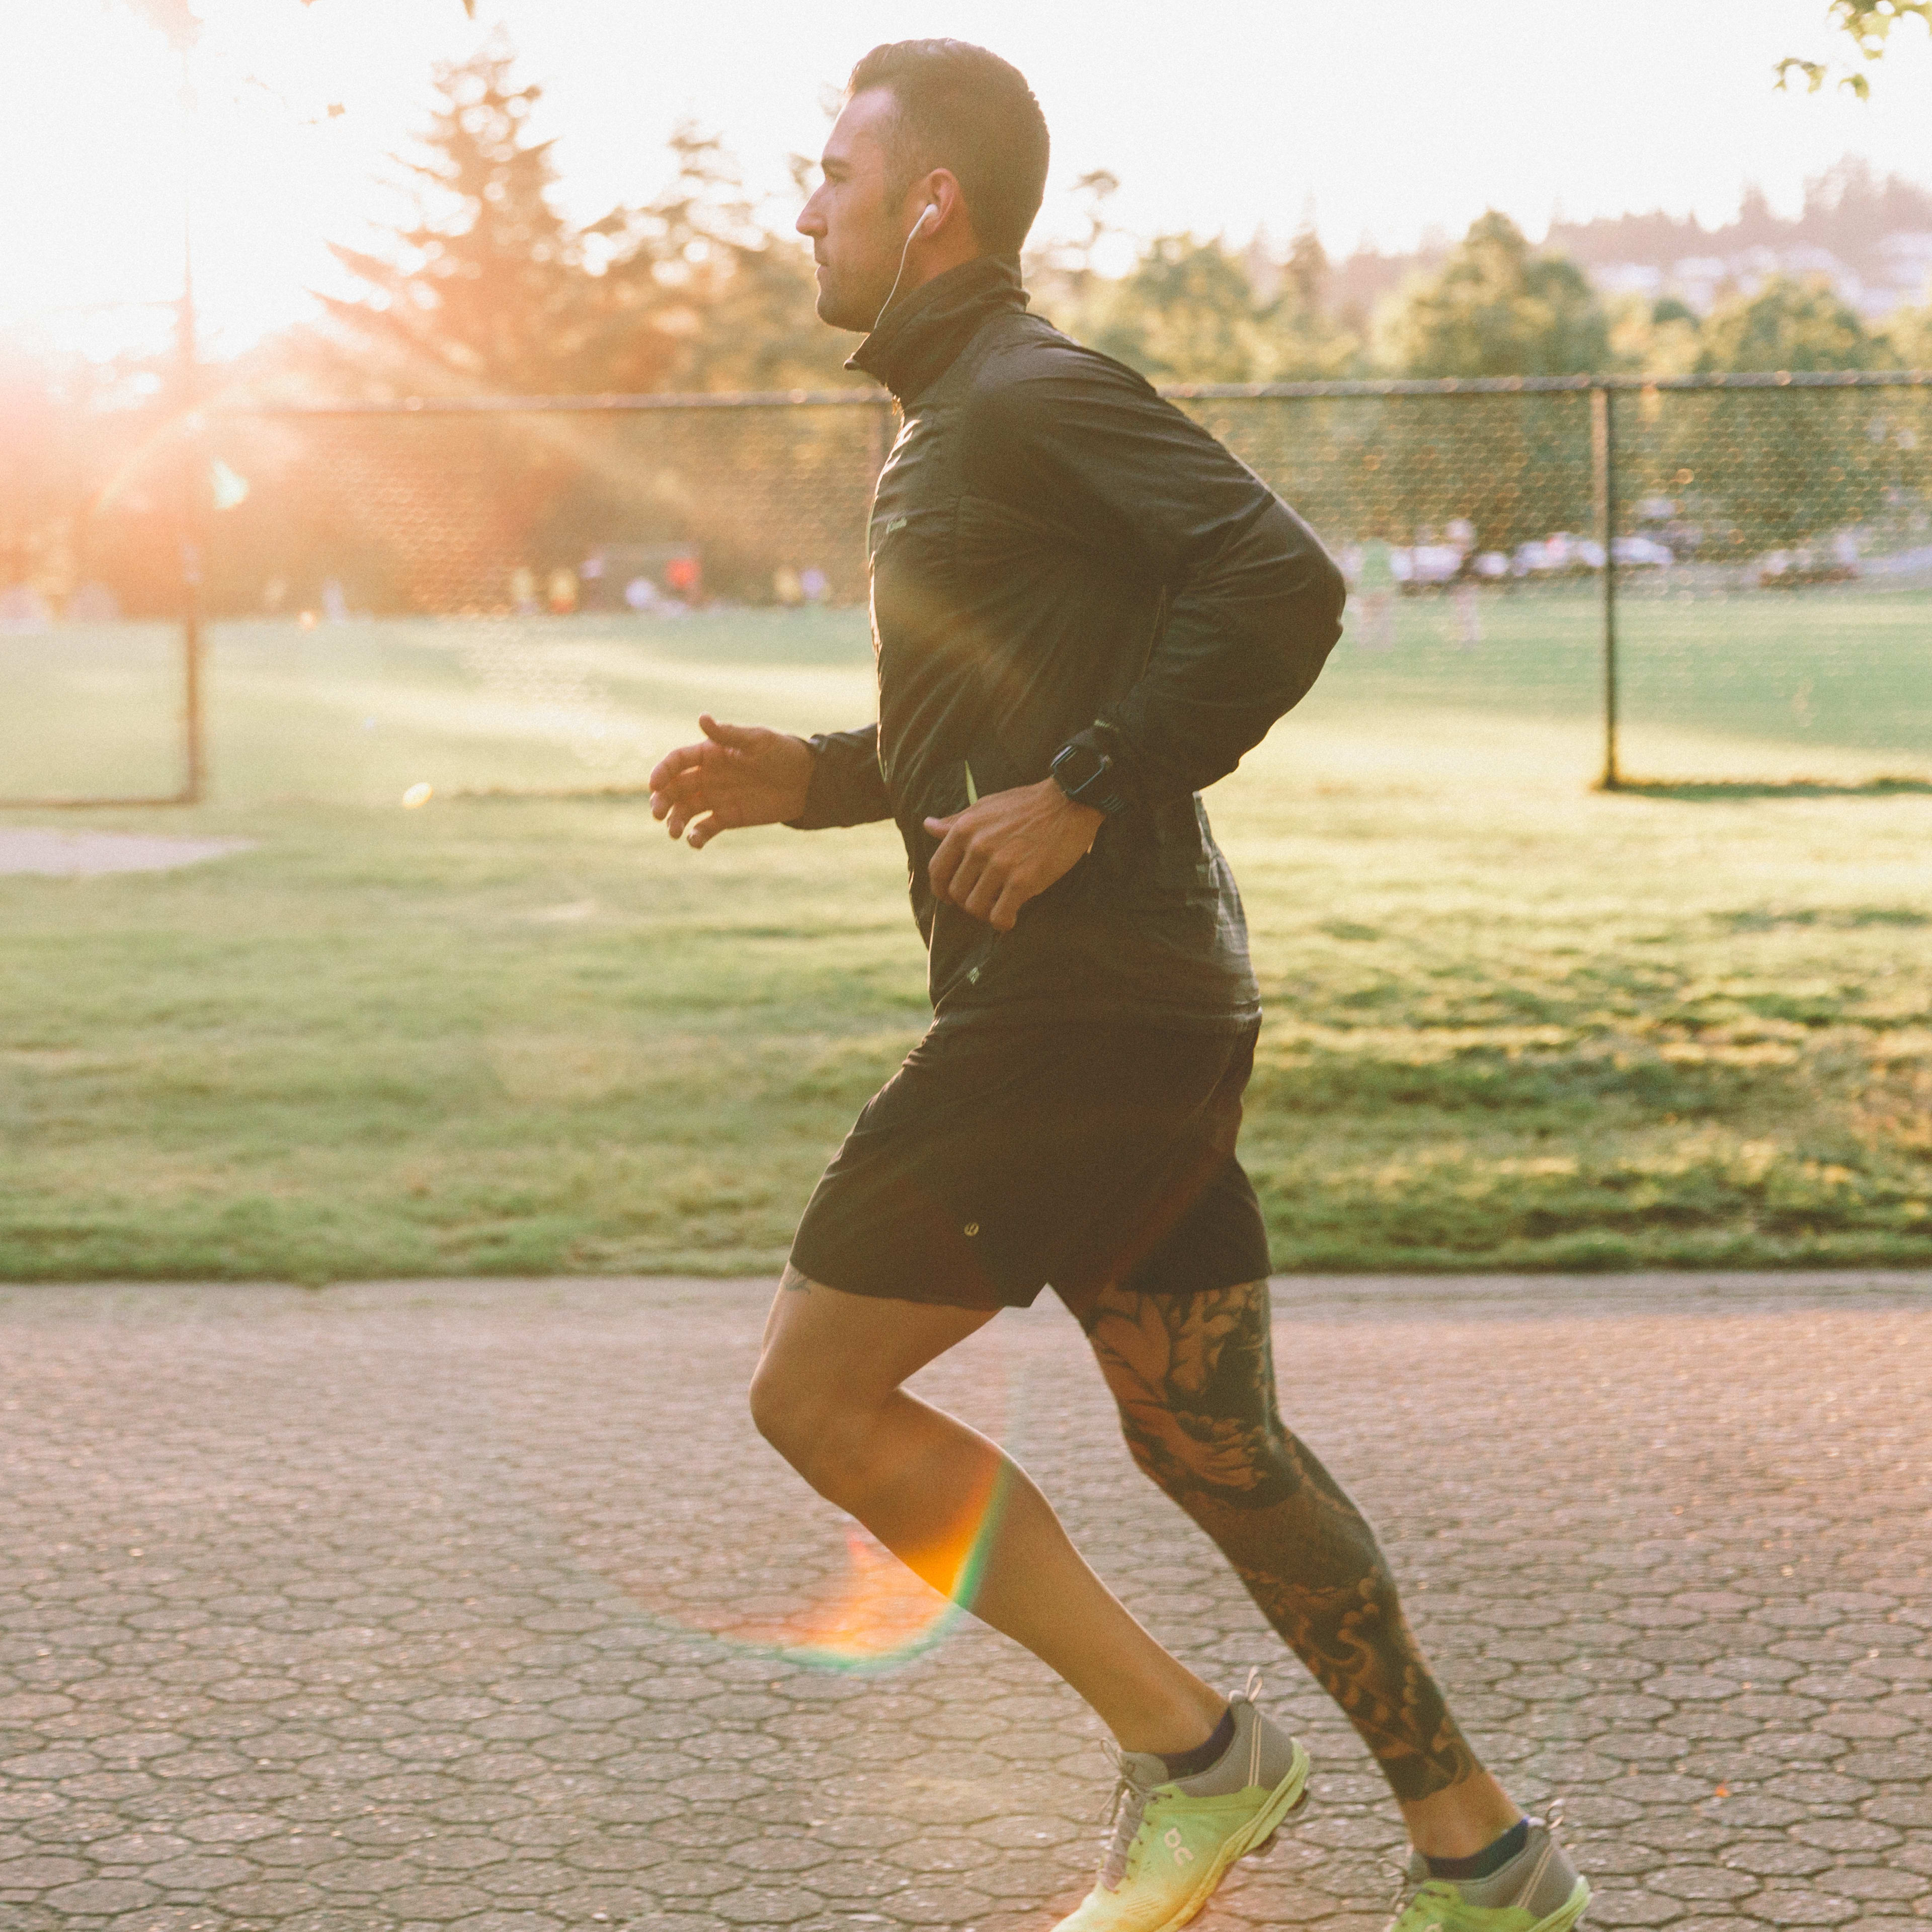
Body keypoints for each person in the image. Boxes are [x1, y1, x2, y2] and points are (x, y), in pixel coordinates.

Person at [647, 40, 1590, 1932]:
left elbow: (1283, 582)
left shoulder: (1028, 390)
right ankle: (1484, 1856)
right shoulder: (948, 416)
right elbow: (1011, 699)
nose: (801, 200)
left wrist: (1083, 798)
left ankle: (1196, 1757)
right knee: (1212, 1445)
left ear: (936, 202)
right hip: (1148, 1003)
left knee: (818, 1397)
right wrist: (828, 782)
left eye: (834, 169)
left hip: (1075, 1007)